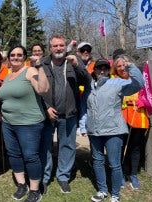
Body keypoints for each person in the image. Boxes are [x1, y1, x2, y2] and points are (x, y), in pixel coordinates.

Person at [86, 57, 144, 202]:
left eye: (105, 68)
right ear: (94, 70)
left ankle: (116, 195)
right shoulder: (91, 85)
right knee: (98, 161)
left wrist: (130, 67)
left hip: (113, 131)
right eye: (99, 68)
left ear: (109, 70)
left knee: (114, 163)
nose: (102, 70)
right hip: (94, 131)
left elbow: (139, 84)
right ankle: (102, 191)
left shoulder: (116, 82)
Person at [0, 45, 49, 202]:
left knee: (30, 157)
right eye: (12, 55)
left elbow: (43, 89)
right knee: (13, 154)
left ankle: (34, 190)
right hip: (8, 123)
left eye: (19, 55)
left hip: (29, 124)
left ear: (25, 57)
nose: (15, 57)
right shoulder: (8, 75)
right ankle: (21, 185)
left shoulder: (30, 71)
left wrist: (39, 67)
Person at [40, 34, 90, 194]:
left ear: (65, 46)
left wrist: (78, 66)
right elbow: (36, 89)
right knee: (45, 146)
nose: (58, 48)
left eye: (61, 45)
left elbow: (87, 81)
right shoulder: (42, 64)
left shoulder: (74, 61)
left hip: (68, 113)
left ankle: (63, 176)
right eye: (55, 46)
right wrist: (46, 107)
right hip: (47, 114)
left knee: (67, 146)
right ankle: (44, 177)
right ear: (50, 48)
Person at [111, 57, 149, 190]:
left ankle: (133, 173)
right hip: (122, 117)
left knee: (135, 147)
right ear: (115, 69)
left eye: (124, 65)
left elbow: (150, 96)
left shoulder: (138, 79)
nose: (122, 68)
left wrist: (144, 102)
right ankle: (120, 172)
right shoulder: (114, 81)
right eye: (119, 66)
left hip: (138, 116)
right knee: (120, 146)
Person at [76, 41, 95, 137]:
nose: (86, 52)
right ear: (77, 52)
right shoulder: (72, 64)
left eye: (88, 50)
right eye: (83, 50)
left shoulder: (96, 66)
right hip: (73, 104)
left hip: (87, 102)